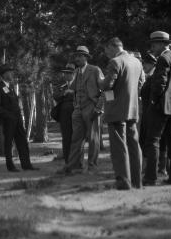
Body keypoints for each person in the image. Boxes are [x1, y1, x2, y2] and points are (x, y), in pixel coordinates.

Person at [98, 38, 145, 190]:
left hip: (117, 110)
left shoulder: (115, 62)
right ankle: (137, 181)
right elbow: (140, 84)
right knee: (133, 145)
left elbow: (107, 85)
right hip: (132, 109)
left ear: (112, 47)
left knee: (119, 147)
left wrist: (100, 81)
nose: (106, 55)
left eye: (106, 51)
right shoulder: (136, 62)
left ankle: (124, 181)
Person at [142, 31, 171, 186]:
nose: (152, 47)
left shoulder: (163, 58)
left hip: (161, 106)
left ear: (162, 44)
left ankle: (150, 178)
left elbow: (160, 83)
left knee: (152, 141)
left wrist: (153, 102)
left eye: (154, 44)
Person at [58, 46, 104, 175]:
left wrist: (99, 108)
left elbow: (105, 89)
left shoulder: (95, 70)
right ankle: (74, 166)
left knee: (93, 139)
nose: (77, 58)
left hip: (92, 108)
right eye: (76, 56)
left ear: (86, 57)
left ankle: (92, 166)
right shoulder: (77, 71)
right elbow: (72, 88)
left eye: (80, 56)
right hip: (78, 109)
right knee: (76, 138)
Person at [0, 64, 38, 172]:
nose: (11, 74)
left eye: (11, 72)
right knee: (8, 143)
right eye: (9, 72)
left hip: (17, 119)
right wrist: (8, 115)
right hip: (8, 120)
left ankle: (26, 164)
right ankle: (10, 166)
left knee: (22, 141)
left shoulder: (10, 87)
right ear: (3, 74)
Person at [52, 63, 76, 162]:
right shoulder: (62, 86)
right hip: (64, 116)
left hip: (76, 114)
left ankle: (77, 160)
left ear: (74, 74)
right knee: (66, 138)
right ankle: (67, 160)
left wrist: (72, 92)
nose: (66, 75)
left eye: (69, 73)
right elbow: (56, 96)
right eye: (65, 73)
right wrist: (65, 93)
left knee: (77, 138)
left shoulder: (78, 85)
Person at [138, 52, 157, 153]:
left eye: (146, 63)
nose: (143, 65)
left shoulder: (154, 77)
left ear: (153, 64)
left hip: (151, 114)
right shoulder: (149, 76)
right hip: (147, 113)